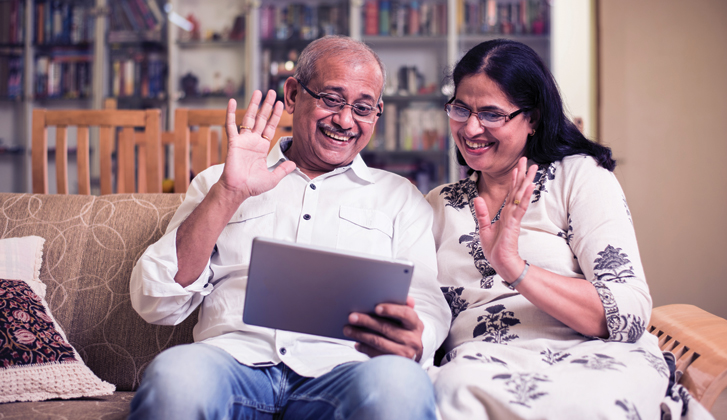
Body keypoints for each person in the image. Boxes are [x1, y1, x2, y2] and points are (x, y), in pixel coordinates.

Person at [128, 35, 450, 420]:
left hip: (347, 370)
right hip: (233, 362)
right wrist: (229, 193)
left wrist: (416, 337)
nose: (346, 120)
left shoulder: (400, 197)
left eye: (363, 108)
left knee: (401, 384)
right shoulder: (219, 182)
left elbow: (428, 303)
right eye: (331, 99)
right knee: (174, 378)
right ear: (294, 94)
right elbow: (154, 301)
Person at [425, 39, 711, 419]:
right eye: (461, 109)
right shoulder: (438, 204)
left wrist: (516, 269)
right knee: (454, 392)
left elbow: (628, 312)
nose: (471, 128)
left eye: (492, 114)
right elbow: (424, 310)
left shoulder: (579, 178)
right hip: (478, 364)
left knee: (591, 403)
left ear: (533, 119)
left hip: (592, 358)